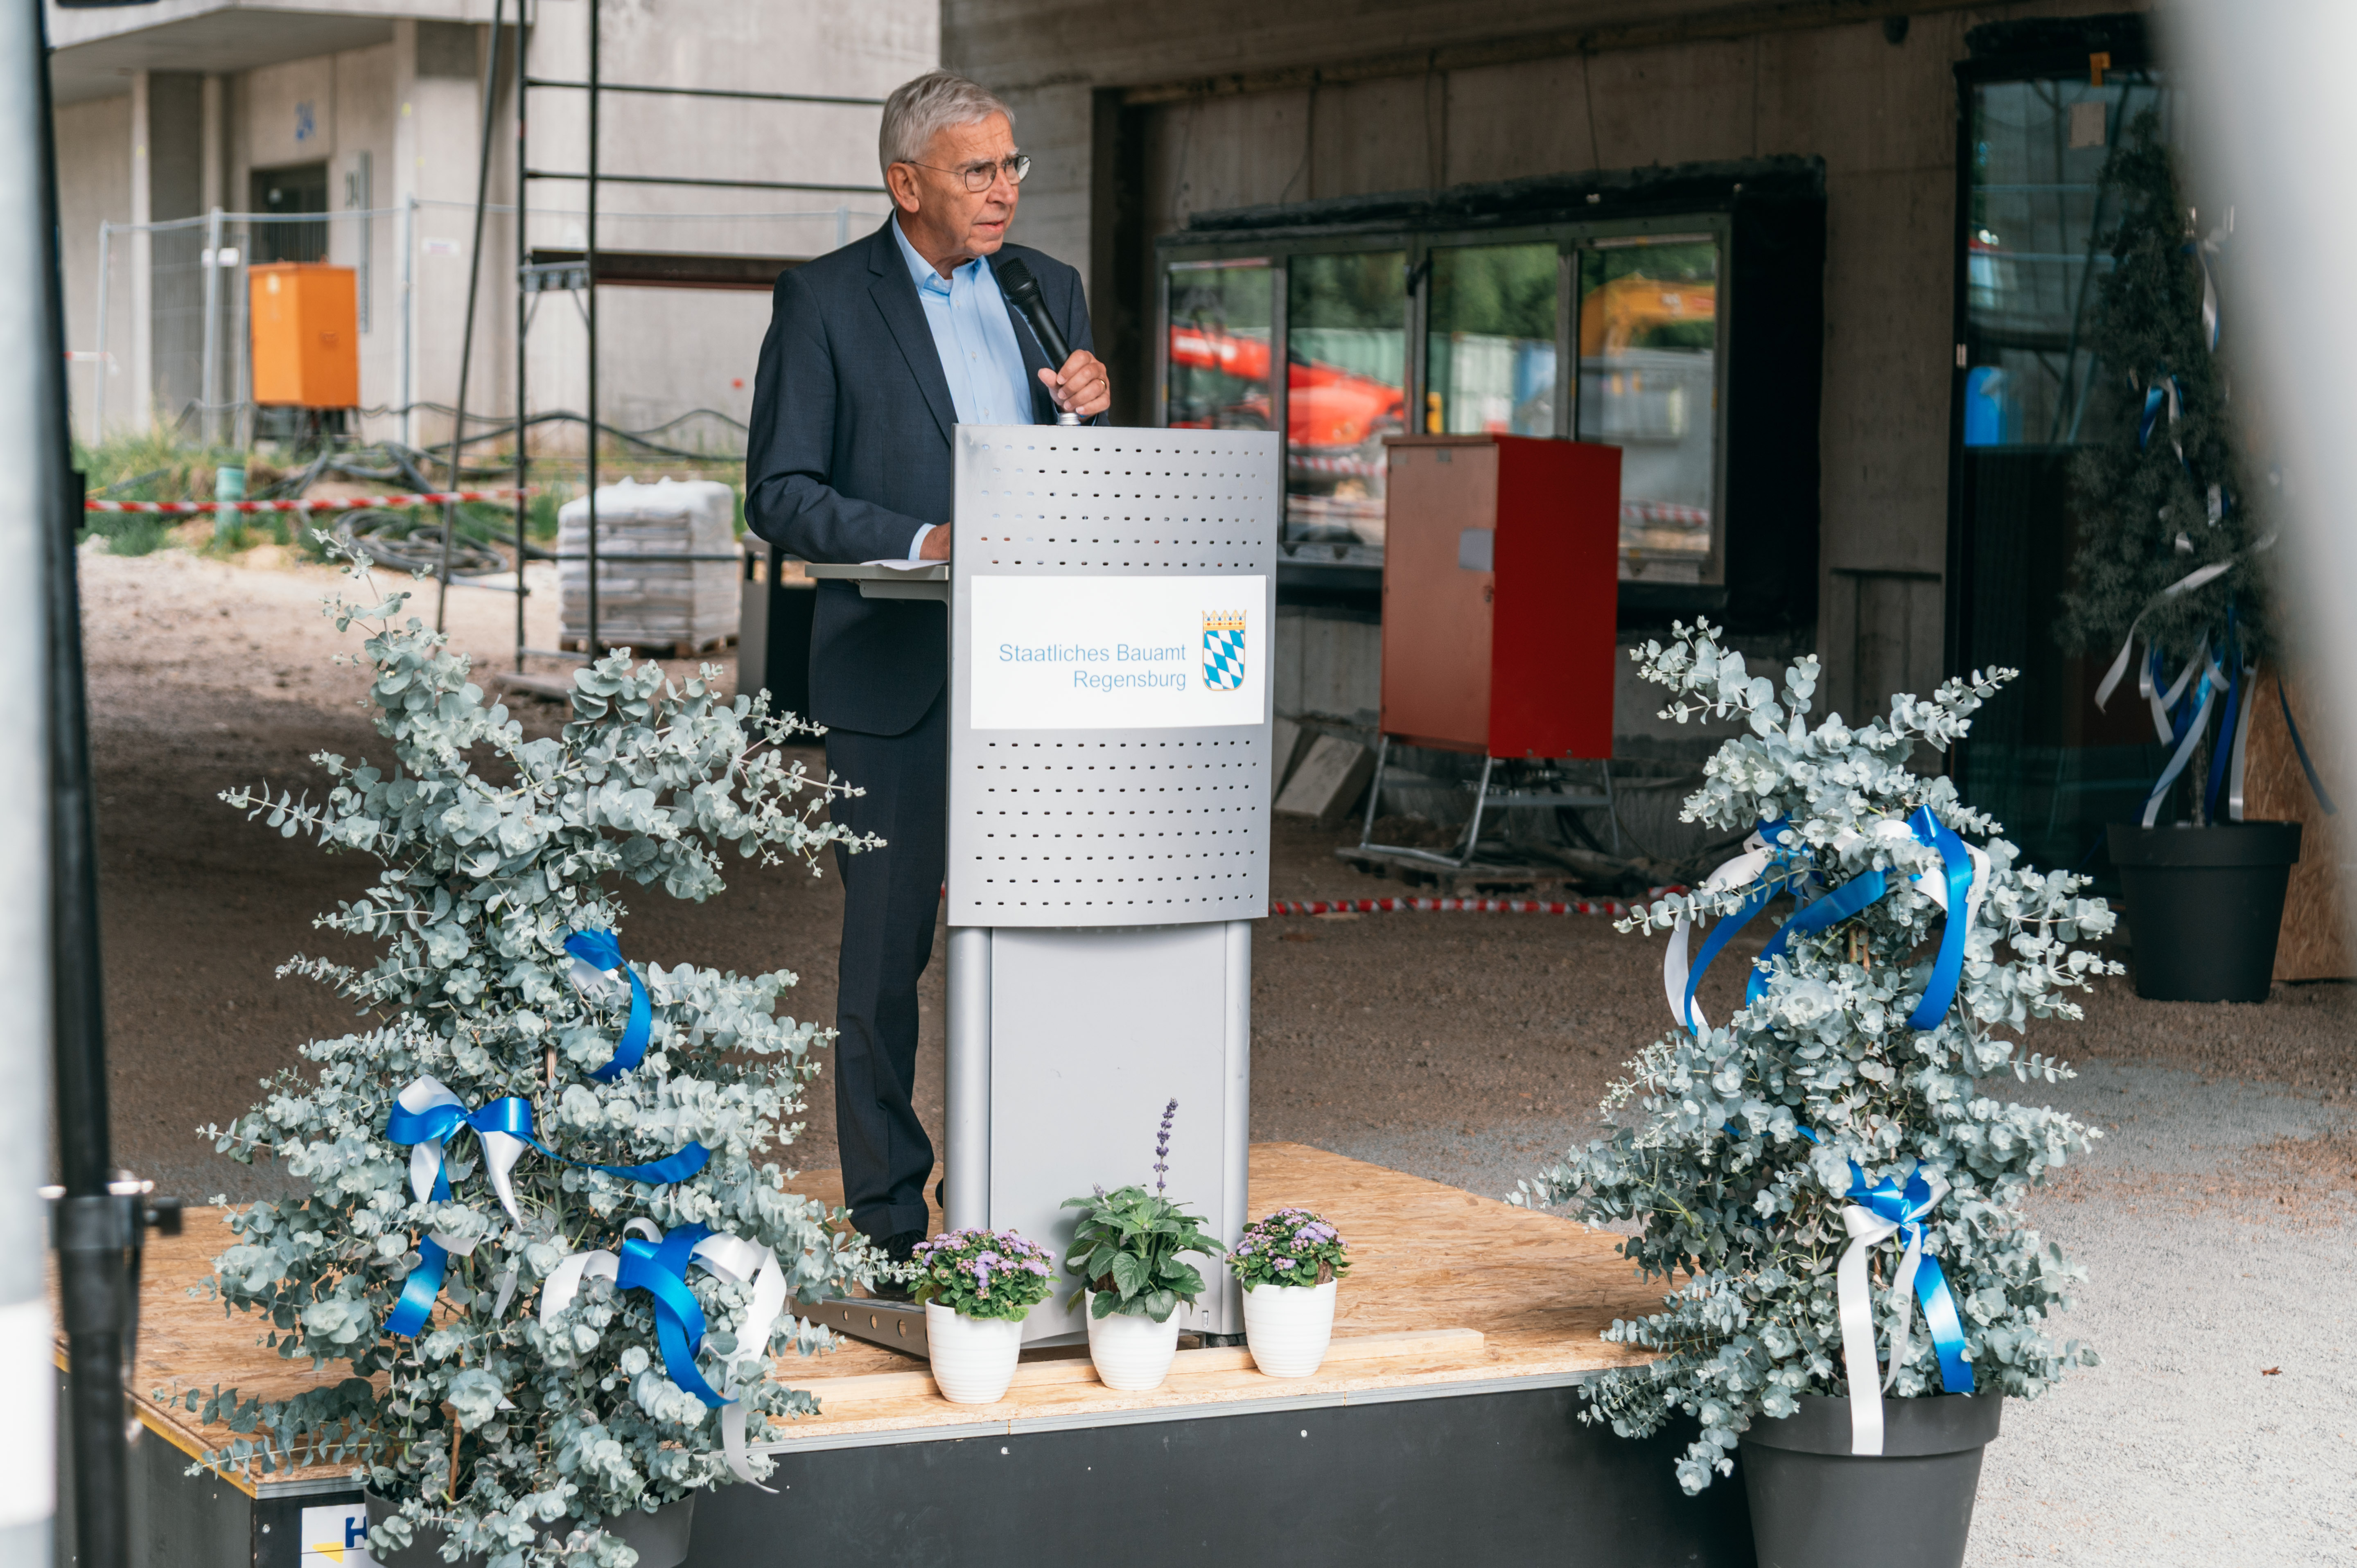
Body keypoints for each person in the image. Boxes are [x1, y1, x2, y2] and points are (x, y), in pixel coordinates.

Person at [743, 70, 1111, 1294]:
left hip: (1041, 674)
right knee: (887, 956)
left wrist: (1091, 416)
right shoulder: (824, 302)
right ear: (907, 184)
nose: (1005, 190)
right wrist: (919, 541)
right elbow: (780, 493)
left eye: (1013, 167)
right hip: (895, 674)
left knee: (1041, 941)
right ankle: (893, 1221)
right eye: (978, 170)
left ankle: (1031, 1191)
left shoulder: (1045, 290)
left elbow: (1069, 482)